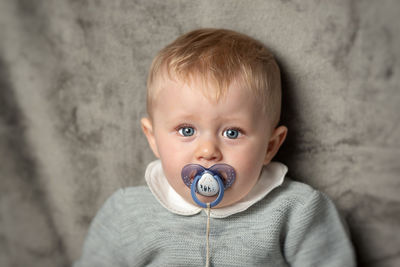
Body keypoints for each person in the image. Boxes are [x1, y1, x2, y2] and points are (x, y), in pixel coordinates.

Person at [74, 28, 356, 266]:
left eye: (232, 132)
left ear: (270, 146)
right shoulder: (126, 213)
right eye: (186, 130)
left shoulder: (298, 210)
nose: (208, 150)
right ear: (153, 138)